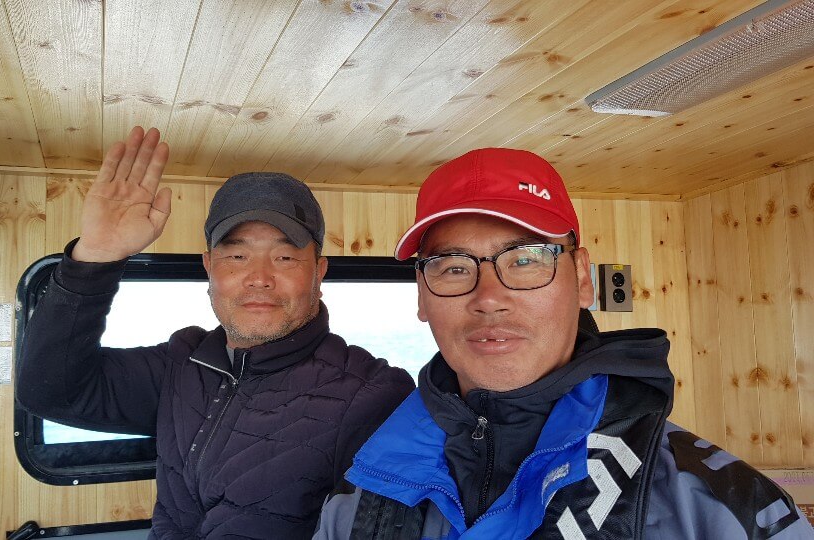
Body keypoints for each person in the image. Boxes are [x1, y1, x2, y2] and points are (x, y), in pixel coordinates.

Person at [313, 148, 814, 539]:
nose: (489, 298)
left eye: (525, 259)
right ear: (422, 296)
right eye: (454, 268)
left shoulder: (722, 506)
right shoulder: (364, 489)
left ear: (581, 278)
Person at [15, 126, 414, 539]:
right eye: (237, 255)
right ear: (208, 267)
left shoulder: (373, 394)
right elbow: (50, 391)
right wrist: (96, 258)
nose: (259, 277)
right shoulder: (182, 361)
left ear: (319, 271)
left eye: (284, 257)